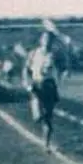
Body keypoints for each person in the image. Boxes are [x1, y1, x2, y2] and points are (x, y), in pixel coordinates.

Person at [22, 20, 64, 151]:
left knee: (48, 117)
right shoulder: (34, 53)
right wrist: (27, 82)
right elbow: (26, 70)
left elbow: (62, 64)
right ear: (41, 40)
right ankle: (42, 119)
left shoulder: (54, 54)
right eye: (44, 39)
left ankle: (46, 144)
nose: (47, 41)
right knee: (37, 117)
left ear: (52, 42)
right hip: (36, 85)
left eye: (49, 39)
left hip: (49, 85)